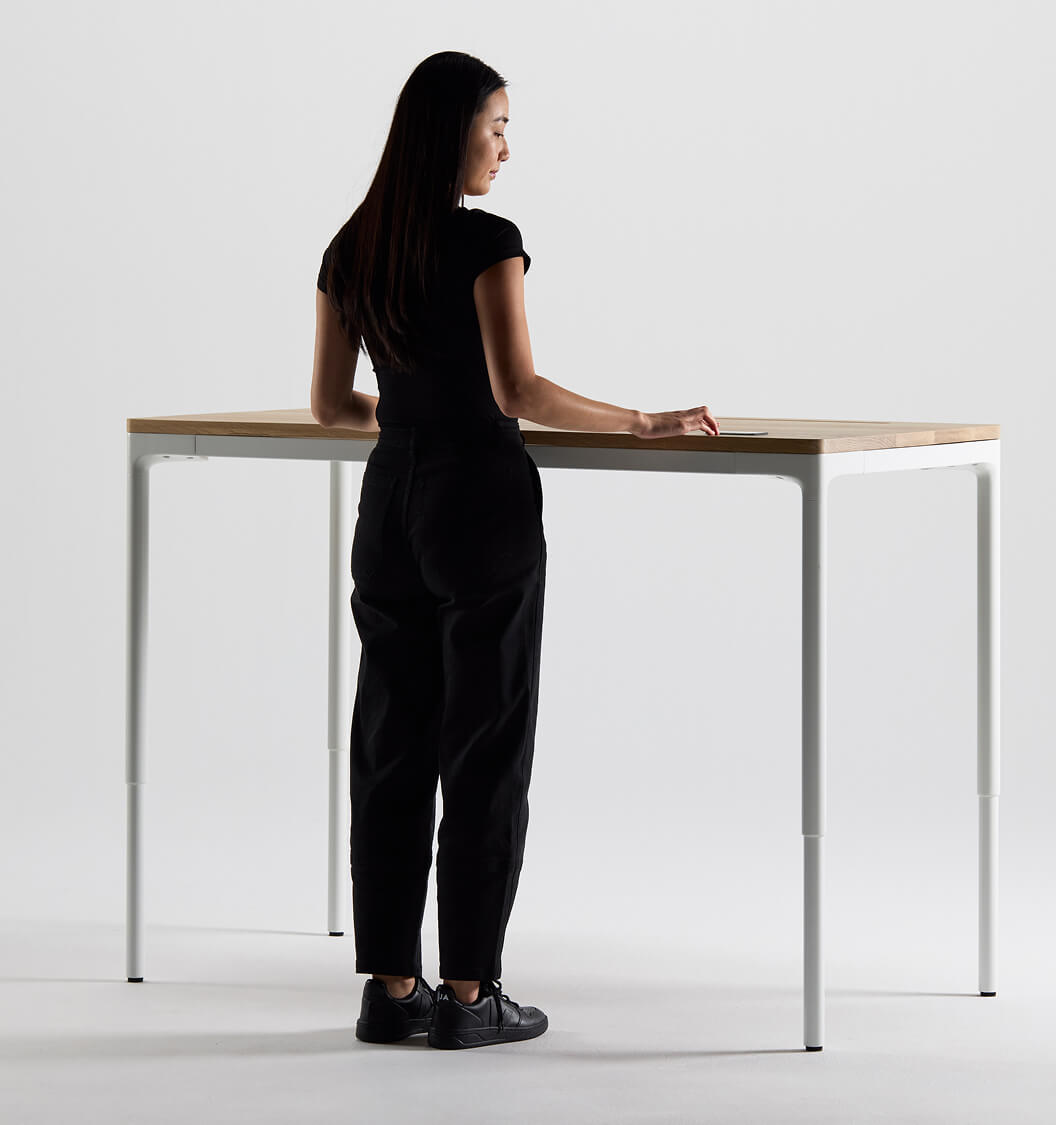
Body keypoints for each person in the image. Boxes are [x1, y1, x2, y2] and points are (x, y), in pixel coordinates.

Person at [310, 51, 720, 1051]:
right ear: (452, 129)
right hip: (477, 503)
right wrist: (643, 423)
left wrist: (408, 413)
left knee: (392, 739)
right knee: (484, 744)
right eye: (495, 123)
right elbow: (518, 393)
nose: (505, 143)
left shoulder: (351, 245)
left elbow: (330, 405)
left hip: (389, 503)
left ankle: (392, 988)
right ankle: (469, 991)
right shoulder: (488, 240)